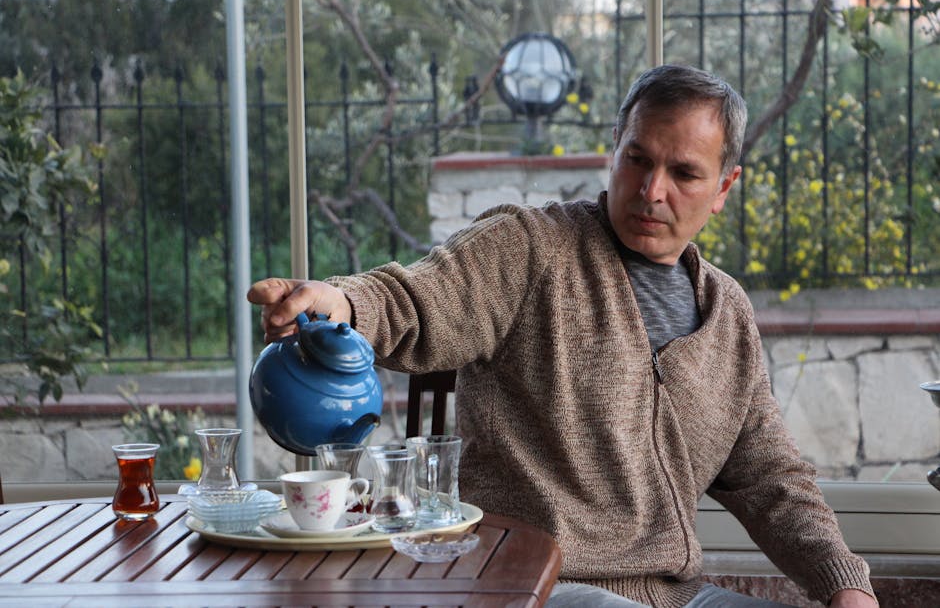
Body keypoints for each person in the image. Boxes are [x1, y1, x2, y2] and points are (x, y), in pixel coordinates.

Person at [247, 65, 878, 608]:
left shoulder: (727, 314)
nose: (652, 190)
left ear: (723, 188)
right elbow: (419, 297)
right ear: (615, 148)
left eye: (684, 173)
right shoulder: (529, 249)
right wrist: (340, 302)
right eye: (638, 159)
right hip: (534, 585)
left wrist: (846, 583)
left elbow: (771, 476)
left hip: (677, 595)